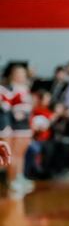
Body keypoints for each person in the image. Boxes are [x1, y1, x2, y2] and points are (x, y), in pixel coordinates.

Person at [6, 65, 34, 195]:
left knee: (21, 155)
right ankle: (12, 180)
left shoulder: (25, 88)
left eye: (24, 73)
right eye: (20, 73)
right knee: (15, 155)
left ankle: (20, 177)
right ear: (14, 75)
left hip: (26, 125)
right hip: (16, 126)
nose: (23, 76)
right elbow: (8, 108)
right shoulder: (10, 89)